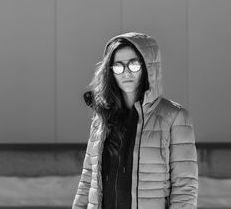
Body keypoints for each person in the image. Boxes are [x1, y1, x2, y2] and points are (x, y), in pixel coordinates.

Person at [72, 32, 198, 209]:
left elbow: (184, 189)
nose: (126, 72)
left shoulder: (174, 117)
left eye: (134, 64)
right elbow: (88, 180)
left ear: (148, 67)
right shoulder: (102, 117)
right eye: (118, 66)